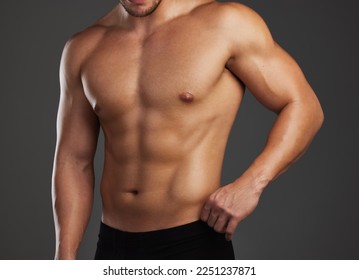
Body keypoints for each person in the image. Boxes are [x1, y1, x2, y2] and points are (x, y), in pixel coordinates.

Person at [52, 0, 324, 260]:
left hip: (192, 243)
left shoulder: (225, 24)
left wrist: (253, 183)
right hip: (113, 246)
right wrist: (64, 256)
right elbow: (74, 159)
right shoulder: (84, 48)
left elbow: (305, 107)